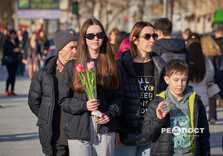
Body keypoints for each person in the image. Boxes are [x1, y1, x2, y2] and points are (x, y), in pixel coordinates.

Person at [59, 18, 123, 156]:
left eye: (100, 35)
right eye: (90, 35)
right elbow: (64, 101)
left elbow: (119, 97)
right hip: (79, 129)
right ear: (84, 38)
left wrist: (110, 114)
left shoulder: (113, 65)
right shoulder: (72, 66)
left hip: (105, 128)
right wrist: (84, 105)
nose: (96, 39)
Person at [115, 21, 166, 156]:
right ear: (135, 40)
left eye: (154, 36)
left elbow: (164, 98)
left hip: (151, 127)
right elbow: (116, 98)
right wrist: (114, 129)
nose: (152, 40)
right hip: (126, 129)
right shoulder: (121, 65)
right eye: (147, 36)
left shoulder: (159, 65)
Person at [142, 59, 210, 155]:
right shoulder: (157, 102)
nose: (180, 84)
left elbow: (204, 135)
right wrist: (158, 119)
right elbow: (148, 135)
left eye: (183, 80)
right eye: (176, 80)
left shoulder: (196, 101)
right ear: (167, 80)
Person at [28, 29, 78, 156]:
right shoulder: (45, 74)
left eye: (77, 47)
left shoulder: (81, 71)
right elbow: (34, 101)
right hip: (55, 138)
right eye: (71, 48)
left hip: (77, 135)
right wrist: (46, 116)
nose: (75, 52)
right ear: (60, 50)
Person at [201, 34, 222, 124]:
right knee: (212, 97)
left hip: (204, 77)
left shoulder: (202, 54)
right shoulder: (216, 52)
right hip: (213, 77)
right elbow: (218, 66)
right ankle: (212, 117)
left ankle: (203, 116)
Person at [188, 42, 214, 110]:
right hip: (203, 95)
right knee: (202, 119)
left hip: (188, 95)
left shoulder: (186, 59)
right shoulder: (205, 60)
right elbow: (211, 72)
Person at [3, 29, 20, 96]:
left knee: (13, 76)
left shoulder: (17, 41)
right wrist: (13, 50)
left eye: (14, 34)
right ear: (9, 35)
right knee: (10, 75)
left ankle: (12, 90)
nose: (13, 35)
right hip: (9, 61)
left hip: (15, 61)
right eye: (12, 34)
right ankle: (7, 90)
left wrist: (19, 50)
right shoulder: (6, 42)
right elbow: (5, 51)